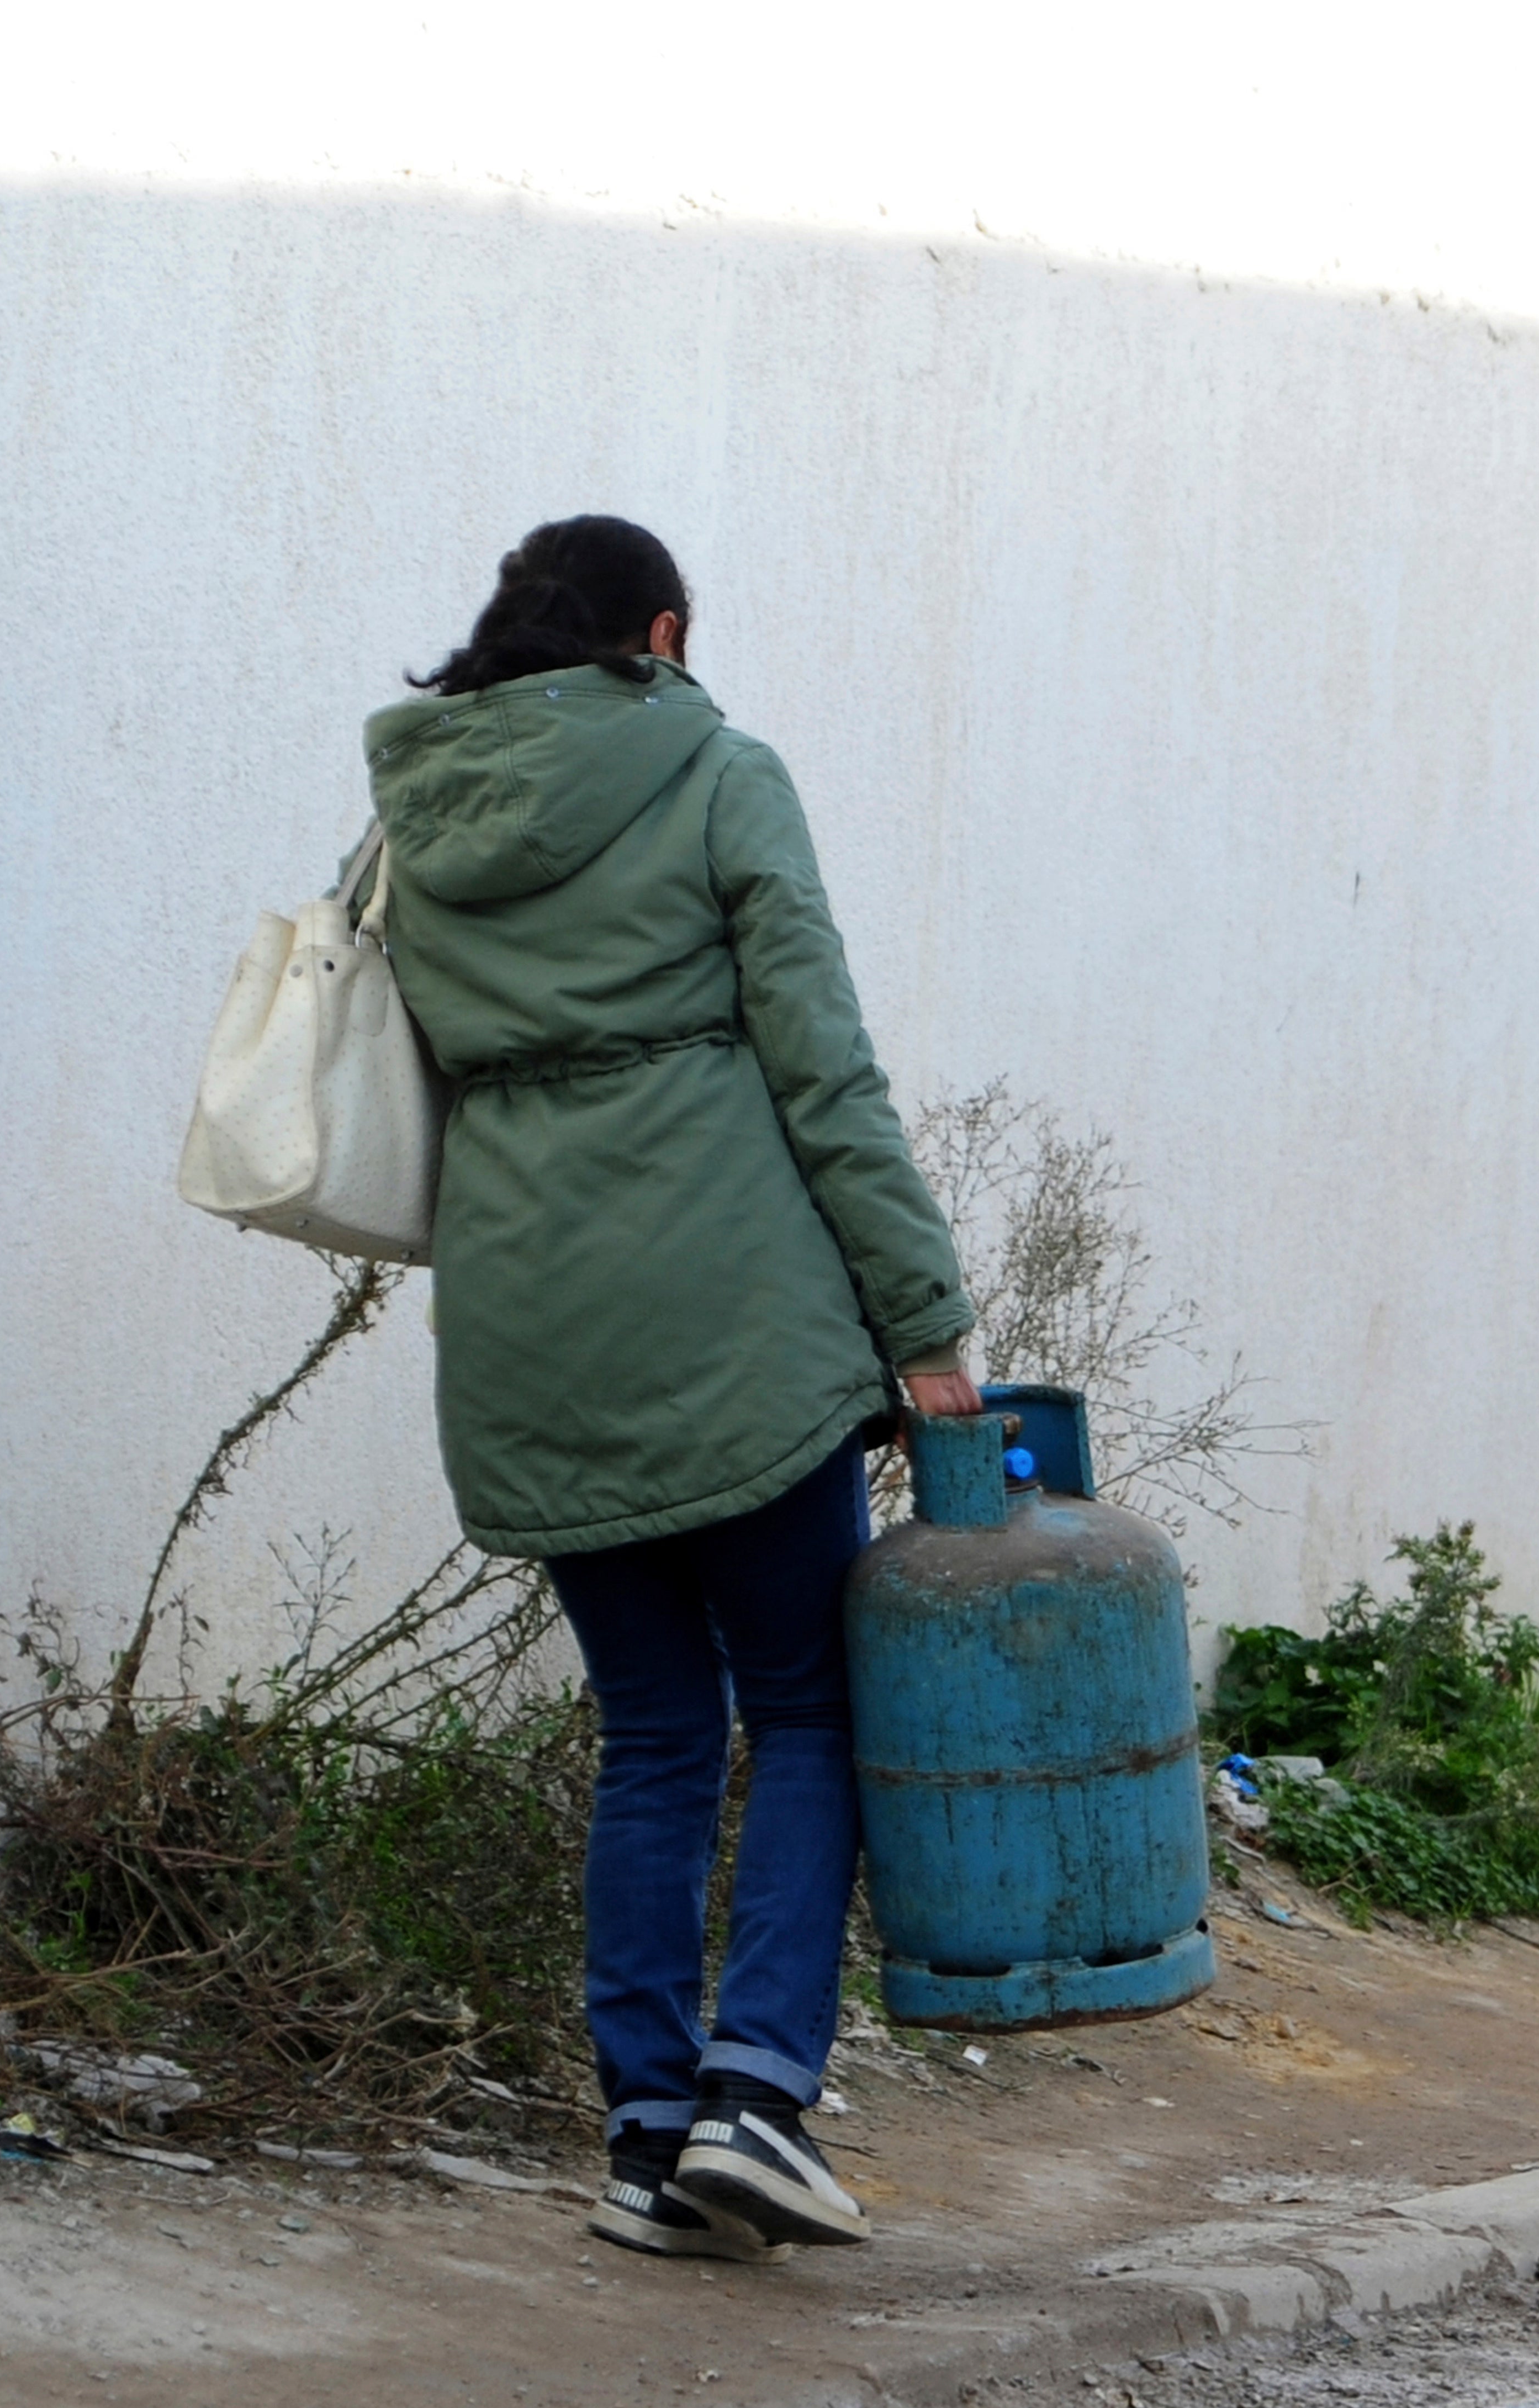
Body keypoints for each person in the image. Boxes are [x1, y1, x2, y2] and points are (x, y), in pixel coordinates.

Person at [363, 517, 977, 2264]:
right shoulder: (717, 769)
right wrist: (923, 1318)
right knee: (809, 1706)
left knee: (651, 1731)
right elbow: (822, 1061)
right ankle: (759, 2100)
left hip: (526, 1323)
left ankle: (647, 2141)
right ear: (662, 631)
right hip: (733, 1323)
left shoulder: (411, 818)